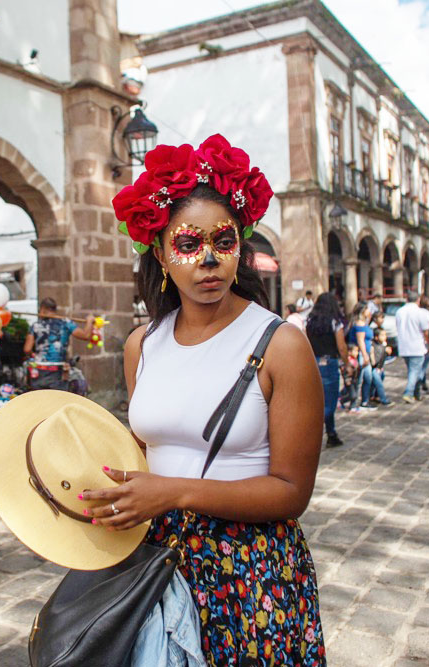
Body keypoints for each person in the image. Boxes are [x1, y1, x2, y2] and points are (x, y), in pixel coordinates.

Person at [110, 135, 326, 665]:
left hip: (249, 573)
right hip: (156, 564)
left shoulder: (281, 344)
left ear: (240, 248)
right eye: (187, 244)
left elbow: (291, 492)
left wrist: (172, 493)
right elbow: (142, 455)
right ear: (160, 253)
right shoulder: (142, 345)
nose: (208, 260)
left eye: (223, 242)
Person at [306, 292, 348, 448]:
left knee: (318, 400)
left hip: (313, 362)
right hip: (329, 362)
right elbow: (342, 346)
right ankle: (307, 433)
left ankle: (332, 434)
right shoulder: (335, 322)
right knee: (329, 402)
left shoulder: (310, 321)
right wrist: (347, 363)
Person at [23, 298, 95, 391]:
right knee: (57, 401)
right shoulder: (66, 323)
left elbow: (27, 349)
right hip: (57, 371)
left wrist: (33, 355)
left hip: (39, 370)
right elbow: (85, 335)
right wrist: (89, 321)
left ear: (43, 309)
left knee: (40, 401)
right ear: (54, 310)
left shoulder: (35, 325)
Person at [395, 290, 429, 404]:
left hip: (403, 345)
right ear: (418, 300)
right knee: (415, 371)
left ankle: (416, 394)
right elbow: (425, 331)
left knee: (412, 371)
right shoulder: (420, 312)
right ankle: (409, 392)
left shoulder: (399, 311)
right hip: (417, 345)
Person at [345, 302, 377, 411]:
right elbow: (360, 341)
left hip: (365, 353)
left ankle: (364, 400)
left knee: (366, 378)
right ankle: (353, 400)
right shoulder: (359, 324)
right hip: (361, 354)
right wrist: (365, 355)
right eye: (368, 309)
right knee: (359, 379)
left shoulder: (364, 323)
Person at [368, 328, 393, 406]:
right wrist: (384, 351)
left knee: (375, 383)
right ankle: (383, 399)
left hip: (380, 368)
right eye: (382, 335)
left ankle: (374, 396)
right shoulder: (374, 346)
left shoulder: (382, 345)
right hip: (375, 368)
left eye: (385, 335)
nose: (384, 337)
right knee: (379, 384)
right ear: (376, 337)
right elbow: (376, 360)